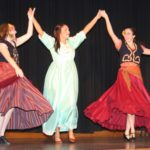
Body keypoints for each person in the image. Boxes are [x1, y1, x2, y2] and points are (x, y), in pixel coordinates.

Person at [32, 9, 101, 143]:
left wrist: (97, 17)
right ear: (59, 33)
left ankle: (70, 131)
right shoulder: (53, 43)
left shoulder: (72, 42)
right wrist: (32, 18)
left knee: (70, 103)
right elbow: (40, 32)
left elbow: (85, 30)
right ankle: (57, 133)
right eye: (66, 30)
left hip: (70, 77)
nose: (68, 32)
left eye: (68, 30)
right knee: (57, 104)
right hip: (57, 76)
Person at [84, 10, 150, 142]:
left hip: (136, 78)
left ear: (133, 35)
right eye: (124, 33)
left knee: (132, 105)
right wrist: (106, 17)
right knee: (130, 104)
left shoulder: (139, 47)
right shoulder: (120, 44)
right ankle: (130, 132)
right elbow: (111, 32)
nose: (126, 35)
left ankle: (128, 131)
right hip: (125, 76)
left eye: (128, 33)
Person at [0, 8, 53, 145]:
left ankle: (1, 134)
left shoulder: (14, 42)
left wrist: (30, 18)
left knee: (11, 106)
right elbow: (7, 57)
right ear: (6, 31)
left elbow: (29, 34)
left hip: (14, 75)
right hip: (5, 74)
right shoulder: (2, 43)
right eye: (12, 29)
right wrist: (17, 68)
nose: (15, 30)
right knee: (3, 106)